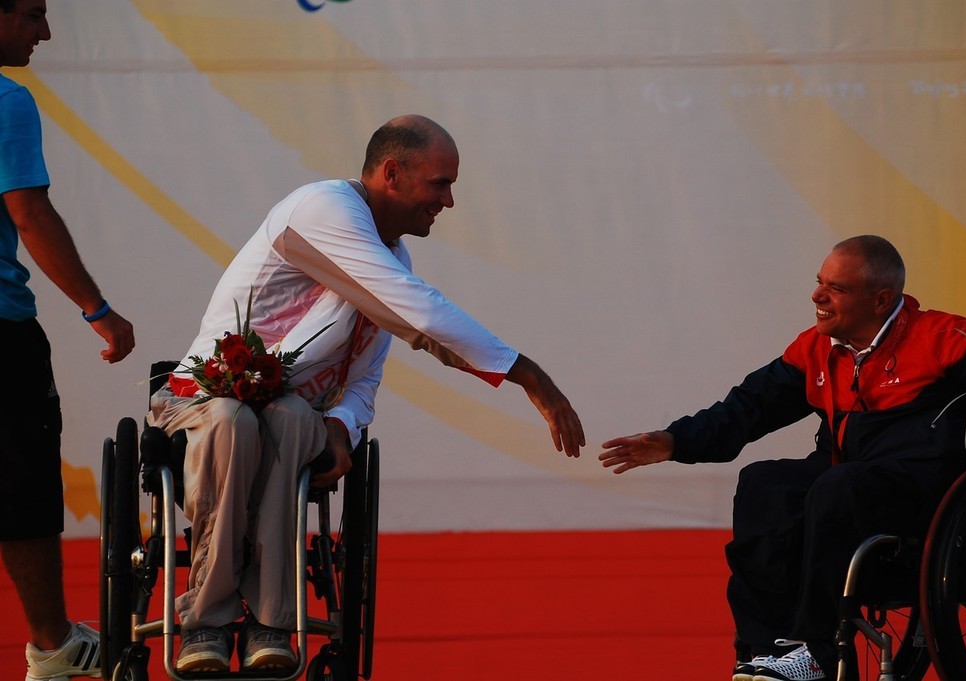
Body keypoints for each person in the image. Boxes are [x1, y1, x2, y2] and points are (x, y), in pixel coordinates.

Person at [148, 114, 586, 673]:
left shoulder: (391, 258)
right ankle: (205, 623)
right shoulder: (322, 209)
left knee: (290, 421)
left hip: (286, 411)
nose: (449, 201)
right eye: (440, 184)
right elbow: (416, 312)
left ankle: (271, 623)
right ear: (393, 173)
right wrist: (530, 376)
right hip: (201, 404)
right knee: (236, 420)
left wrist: (343, 426)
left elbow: (364, 380)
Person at [599, 235, 966, 681]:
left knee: (837, 486)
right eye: (819, 283)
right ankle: (763, 653)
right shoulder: (816, 348)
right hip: (850, 477)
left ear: (881, 300)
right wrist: (676, 441)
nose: (817, 296)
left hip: (920, 489)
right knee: (764, 483)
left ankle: (816, 652)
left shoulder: (946, 338)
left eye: (835, 288)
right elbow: (748, 407)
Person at [0, 2, 136, 680]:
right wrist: (97, 308)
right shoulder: (5, 99)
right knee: (19, 490)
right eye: (31, 14)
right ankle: (53, 648)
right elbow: (29, 213)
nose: (45, 32)